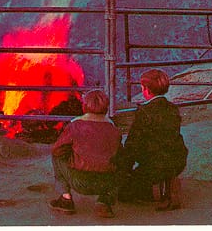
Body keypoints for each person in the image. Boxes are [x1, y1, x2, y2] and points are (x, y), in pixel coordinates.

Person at [117, 69, 188, 210]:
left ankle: (158, 192)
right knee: (161, 158)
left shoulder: (144, 112)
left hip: (155, 163)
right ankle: (168, 181)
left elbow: (133, 143)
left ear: (147, 90)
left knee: (124, 193)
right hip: (177, 159)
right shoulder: (172, 109)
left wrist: (124, 168)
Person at [48, 90, 121, 218]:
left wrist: (72, 157)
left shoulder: (75, 125)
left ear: (84, 106)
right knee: (119, 163)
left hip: (79, 181)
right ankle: (104, 201)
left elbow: (57, 150)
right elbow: (121, 156)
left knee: (56, 156)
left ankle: (66, 199)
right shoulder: (114, 129)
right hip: (107, 183)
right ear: (106, 108)